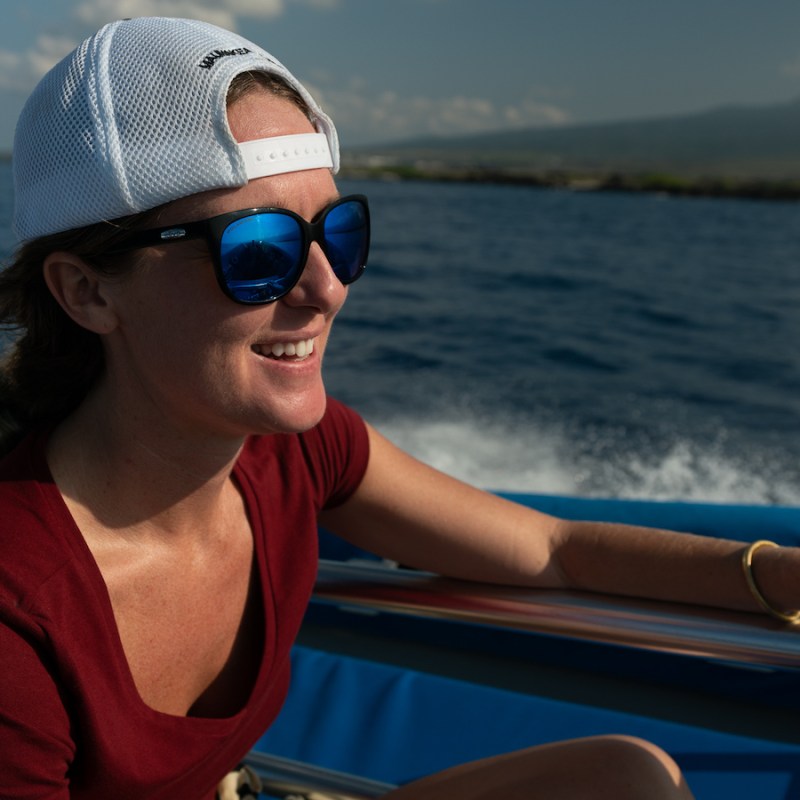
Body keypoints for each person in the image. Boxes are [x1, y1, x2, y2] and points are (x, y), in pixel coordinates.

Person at [0, 16, 796, 800]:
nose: (328, 289)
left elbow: (551, 548)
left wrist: (773, 575)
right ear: (88, 291)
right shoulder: (20, 610)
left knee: (627, 777)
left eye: (337, 234)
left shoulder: (294, 455)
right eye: (258, 252)